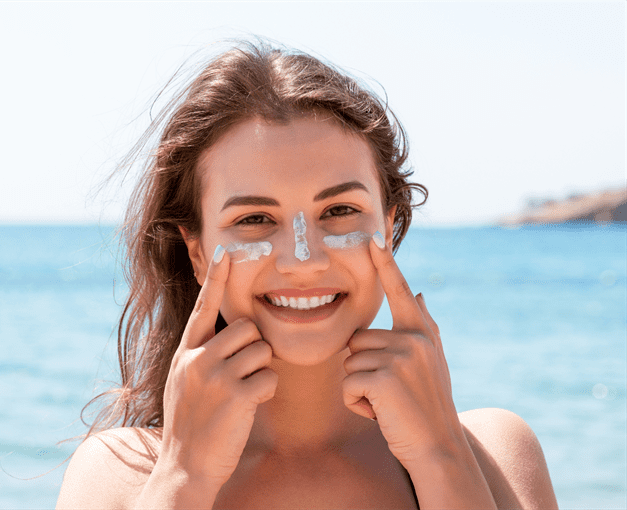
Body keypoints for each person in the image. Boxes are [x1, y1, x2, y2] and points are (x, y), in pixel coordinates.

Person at [56, 40, 558, 509]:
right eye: (254, 219)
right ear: (198, 252)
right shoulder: (123, 475)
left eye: (339, 210)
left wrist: (442, 455)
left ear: (389, 224)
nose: (304, 259)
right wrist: (185, 476)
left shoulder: (496, 452)